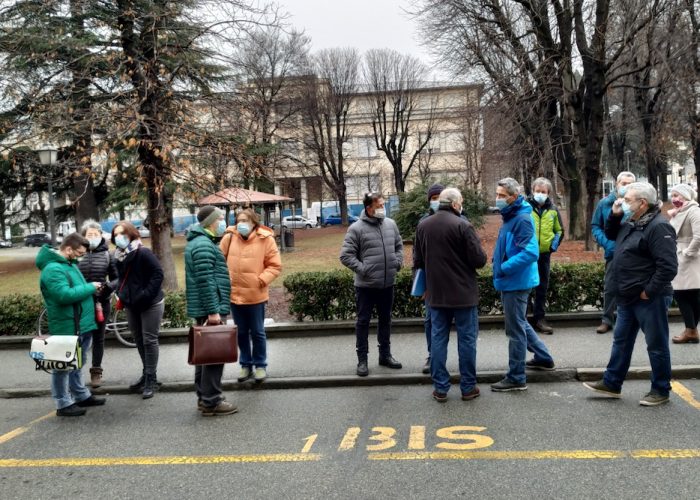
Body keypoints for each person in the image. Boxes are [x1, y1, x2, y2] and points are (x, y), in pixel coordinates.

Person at [584, 182, 677, 406]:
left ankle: (660, 389)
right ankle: (612, 383)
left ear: (642, 203)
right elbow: (612, 234)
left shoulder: (658, 226)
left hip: (648, 298)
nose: (622, 203)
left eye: (627, 200)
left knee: (656, 345)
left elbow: (668, 267)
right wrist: (615, 216)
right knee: (621, 341)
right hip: (627, 295)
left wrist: (648, 291)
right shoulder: (631, 222)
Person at [414, 187, 487, 402]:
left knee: (437, 339)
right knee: (466, 340)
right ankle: (468, 387)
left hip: (435, 293)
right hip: (463, 294)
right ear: (456, 204)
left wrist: (422, 288)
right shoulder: (463, 225)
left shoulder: (423, 226)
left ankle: (440, 388)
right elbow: (479, 260)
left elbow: (418, 261)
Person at [491, 178, 555, 392]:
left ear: (514, 197)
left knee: (515, 330)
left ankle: (516, 377)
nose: (497, 199)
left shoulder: (521, 218)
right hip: (513, 280)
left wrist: (504, 267)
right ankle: (544, 357)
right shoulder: (511, 216)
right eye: (497, 194)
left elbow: (531, 252)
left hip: (515, 282)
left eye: (501, 196)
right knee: (520, 323)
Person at [36, 233, 106, 416]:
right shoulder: (53, 269)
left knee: (77, 364)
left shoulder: (68, 265)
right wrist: (90, 287)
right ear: (68, 249)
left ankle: (81, 395)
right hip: (68, 325)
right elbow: (63, 295)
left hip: (80, 324)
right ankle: (62, 403)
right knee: (62, 367)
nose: (80, 257)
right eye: (79, 253)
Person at [340, 192, 404, 377]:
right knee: (363, 322)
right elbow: (345, 256)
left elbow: (399, 247)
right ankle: (362, 360)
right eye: (379, 206)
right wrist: (364, 269)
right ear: (368, 208)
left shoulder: (390, 225)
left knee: (386, 320)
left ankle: (385, 355)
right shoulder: (356, 229)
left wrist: (397, 262)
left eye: (383, 205)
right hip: (366, 287)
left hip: (387, 283)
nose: (383, 209)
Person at [185, 206, 237, 416]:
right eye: (221, 219)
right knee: (214, 355)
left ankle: (203, 397)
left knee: (204, 355)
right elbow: (206, 281)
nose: (224, 223)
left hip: (206, 307)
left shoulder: (200, 242)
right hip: (210, 308)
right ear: (211, 222)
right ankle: (211, 400)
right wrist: (213, 312)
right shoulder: (204, 245)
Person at [221, 208, 281, 383]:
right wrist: (226, 279)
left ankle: (260, 365)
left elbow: (275, 266)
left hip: (256, 295)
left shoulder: (266, 239)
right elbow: (218, 261)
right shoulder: (229, 237)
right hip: (235, 295)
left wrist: (260, 280)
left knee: (257, 332)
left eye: (245, 220)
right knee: (240, 333)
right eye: (239, 220)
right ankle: (245, 365)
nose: (241, 224)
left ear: (254, 222)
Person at [112, 220, 164, 399]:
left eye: (122, 234)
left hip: (151, 303)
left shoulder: (143, 252)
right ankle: (146, 374)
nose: (119, 238)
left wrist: (145, 295)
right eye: (116, 235)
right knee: (139, 340)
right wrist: (120, 292)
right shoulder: (118, 255)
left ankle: (152, 379)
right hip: (131, 304)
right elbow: (120, 279)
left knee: (149, 340)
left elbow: (158, 274)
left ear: (131, 234)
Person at [591, 171, 636, 334]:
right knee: (610, 287)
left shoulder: (636, 203)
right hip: (613, 252)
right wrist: (607, 244)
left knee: (634, 286)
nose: (627, 187)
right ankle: (607, 320)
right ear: (617, 184)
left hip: (633, 252)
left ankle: (634, 319)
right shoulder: (605, 203)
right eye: (624, 184)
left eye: (630, 184)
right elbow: (595, 226)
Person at [78, 219, 118, 388]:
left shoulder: (108, 255)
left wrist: (108, 287)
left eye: (96, 234)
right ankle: (75, 372)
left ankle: (96, 372)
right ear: (84, 237)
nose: (93, 237)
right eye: (89, 235)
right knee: (79, 338)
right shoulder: (78, 254)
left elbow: (117, 278)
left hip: (101, 302)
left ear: (101, 236)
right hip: (81, 302)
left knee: (98, 338)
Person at [527, 178, 564, 334]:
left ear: (548, 193)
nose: (540, 194)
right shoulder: (525, 208)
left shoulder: (553, 210)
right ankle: (524, 319)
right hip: (527, 254)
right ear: (533, 191)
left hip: (544, 255)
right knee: (526, 285)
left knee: (542, 287)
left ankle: (539, 319)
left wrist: (552, 246)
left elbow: (559, 231)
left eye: (543, 192)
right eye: (537, 191)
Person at [416, 183, 444, 374]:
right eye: (434, 198)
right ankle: (432, 355)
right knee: (430, 320)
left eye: (440, 197)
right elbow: (418, 257)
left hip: (453, 282)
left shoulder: (460, 219)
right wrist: (420, 284)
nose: (437, 201)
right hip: (431, 283)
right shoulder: (423, 223)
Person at [667, 184, 700, 344]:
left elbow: (699, 236)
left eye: (678, 195)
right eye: (673, 195)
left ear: (686, 196)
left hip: (688, 257)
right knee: (688, 294)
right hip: (679, 254)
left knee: (684, 294)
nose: (675, 199)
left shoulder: (694, 210)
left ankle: (691, 330)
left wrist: (688, 253)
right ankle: (691, 330)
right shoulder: (679, 212)